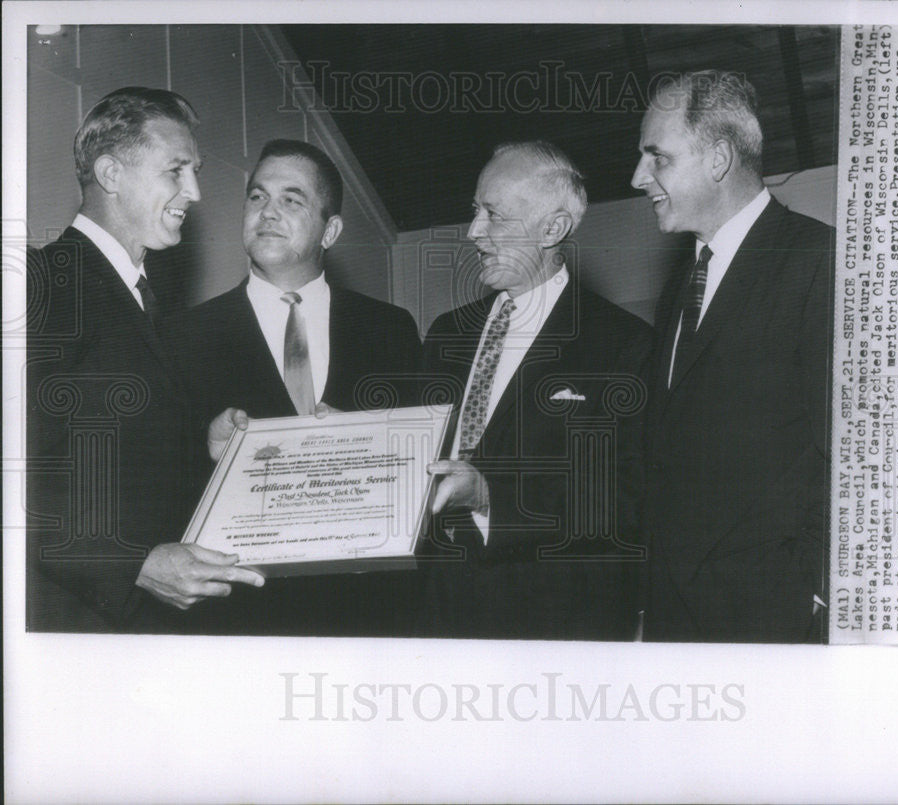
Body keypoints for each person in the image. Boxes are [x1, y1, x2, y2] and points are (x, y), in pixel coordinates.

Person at [26, 86, 264, 632]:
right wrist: (133, 563)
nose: (196, 192)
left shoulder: (139, 297)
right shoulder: (43, 282)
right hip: (69, 627)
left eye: (196, 171)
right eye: (177, 170)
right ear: (110, 174)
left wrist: (201, 442)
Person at [164, 139, 422, 635]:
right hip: (237, 618)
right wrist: (204, 444)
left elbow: (417, 469)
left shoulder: (389, 329)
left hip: (371, 613)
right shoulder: (182, 336)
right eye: (257, 197)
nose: (267, 212)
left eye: (292, 199)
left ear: (331, 230)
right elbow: (155, 477)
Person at [418, 141, 652, 640]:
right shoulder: (444, 333)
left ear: (553, 228)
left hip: (555, 632)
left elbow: (627, 498)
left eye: (494, 215)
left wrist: (489, 497)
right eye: (474, 211)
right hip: (441, 622)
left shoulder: (623, 344)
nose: (473, 232)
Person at [631, 71, 833, 642]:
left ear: (718, 158)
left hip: (769, 616)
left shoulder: (819, 260)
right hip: (676, 618)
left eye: (657, 158)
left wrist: (811, 591)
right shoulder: (682, 281)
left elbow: (847, 453)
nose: (638, 177)